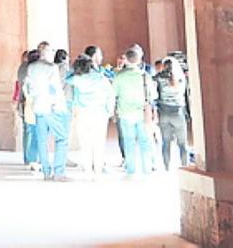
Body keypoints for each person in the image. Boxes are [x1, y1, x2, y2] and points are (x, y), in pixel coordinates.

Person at [23, 47, 71, 180]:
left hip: (38, 106)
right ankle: (59, 172)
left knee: (42, 140)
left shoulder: (31, 67)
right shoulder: (52, 67)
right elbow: (54, 88)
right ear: (46, 53)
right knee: (62, 138)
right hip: (51, 107)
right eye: (51, 51)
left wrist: (33, 99)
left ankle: (46, 171)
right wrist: (56, 104)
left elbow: (27, 87)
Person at [67, 54, 115, 177]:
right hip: (100, 114)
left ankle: (88, 170)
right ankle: (98, 169)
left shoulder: (77, 79)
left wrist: (74, 70)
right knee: (99, 143)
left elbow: (66, 78)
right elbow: (110, 94)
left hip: (82, 113)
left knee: (85, 143)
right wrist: (109, 111)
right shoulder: (101, 78)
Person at [113, 47, 156, 176]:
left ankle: (131, 170)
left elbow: (114, 94)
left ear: (126, 60)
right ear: (139, 60)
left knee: (128, 142)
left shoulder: (119, 76)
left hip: (125, 114)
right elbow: (153, 95)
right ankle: (147, 169)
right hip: (142, 114)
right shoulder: (145, 76)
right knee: (145, 142)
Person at [155, 56, 190, 169]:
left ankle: (166, 167)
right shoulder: (181, 78)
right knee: (182, 143)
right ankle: (185, 166)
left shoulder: (158, 77)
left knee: (166, 142)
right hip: (178, 112)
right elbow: (184, 94)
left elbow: (155, 94)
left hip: (164, 112)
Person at [16, 49, 40, 170]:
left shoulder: (22, 68)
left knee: (27, 131)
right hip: (30, 104)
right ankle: (33, 158)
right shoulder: (31, 71)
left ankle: (27, 157)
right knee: (33, 131)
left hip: (23, 102)